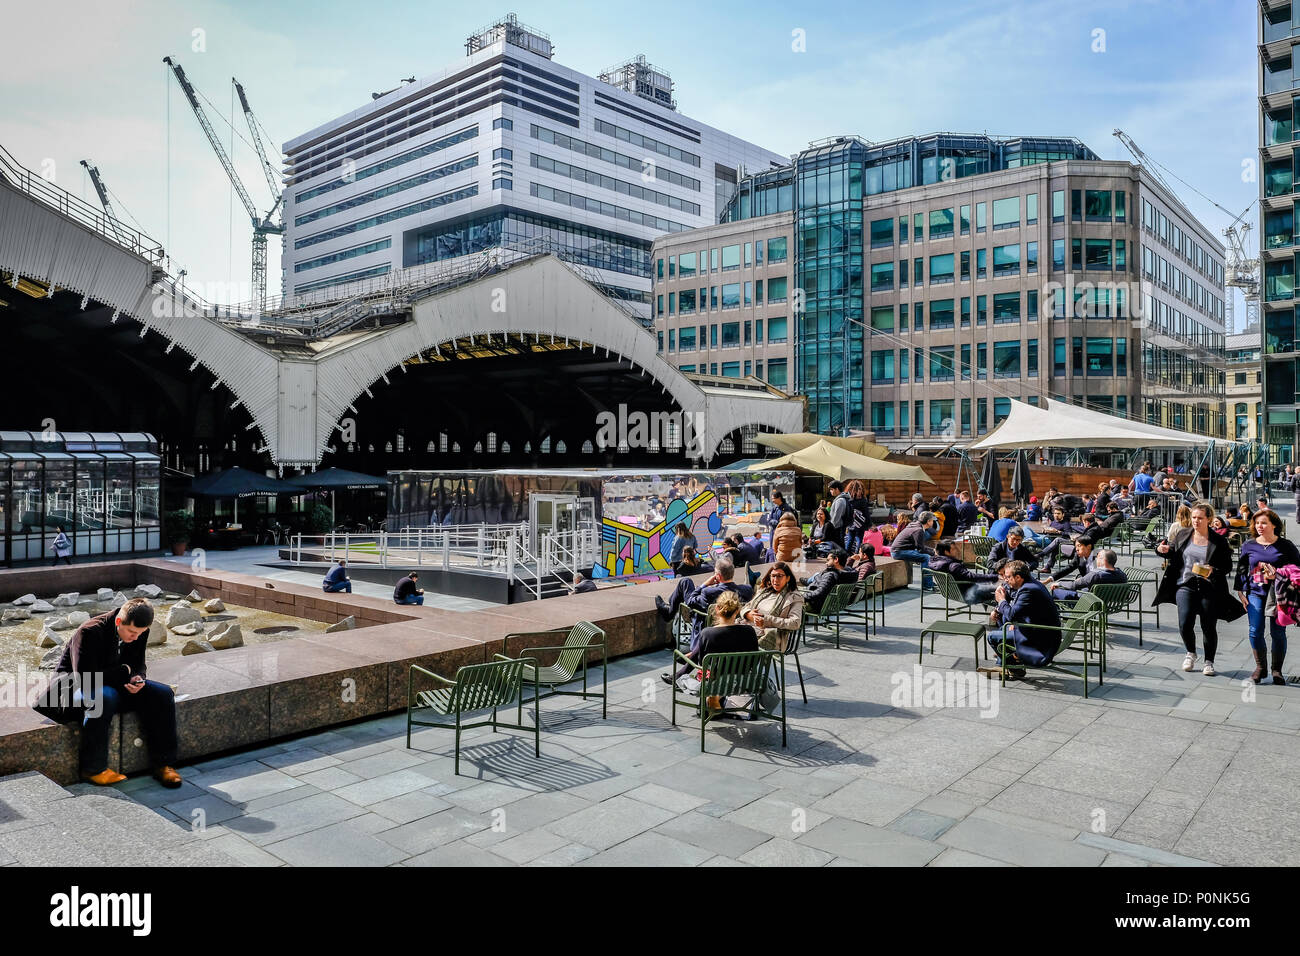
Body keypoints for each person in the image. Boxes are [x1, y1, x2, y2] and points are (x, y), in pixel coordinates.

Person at [55, 598, 182, 788]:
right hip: (72, 689)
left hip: (112, 684)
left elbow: (138, 663)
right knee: (105, 698)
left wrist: (138, 678)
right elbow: (84, 678)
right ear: (118, 622)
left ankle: (163, 764)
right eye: (131, 632)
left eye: (140, 633)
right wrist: (125, 672)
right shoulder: (90, 631)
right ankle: (93, 769)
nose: (135, 637)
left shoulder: (138, 631)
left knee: (162, 695)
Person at [1155, 502, 1244, 677]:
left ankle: (1209, 661)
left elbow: (1226, 566)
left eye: (1200, 518)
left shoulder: (1218, 540)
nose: (1195, 521)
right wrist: (1161, 550)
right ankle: (1190, 653)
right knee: (1184, 622)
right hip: (1185, 584)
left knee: (1208, 625)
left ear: (1209, 519)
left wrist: (1213, 570)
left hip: (1209, 586)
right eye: (1194, 517)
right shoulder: (1183, 534)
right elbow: (1171, 551)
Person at [1234, 508, 1300, 684]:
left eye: (1264, 523)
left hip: (1279, 594)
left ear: (1274, 525)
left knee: (1278, 632)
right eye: (1257, 523)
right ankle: (1260, 667)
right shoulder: (1249, 545)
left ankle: (1276, 670)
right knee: (1255, 630)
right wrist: (1240, 591)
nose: (1259, 526)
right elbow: (1241, 569)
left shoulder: (1286, 546)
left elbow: (1297, 571)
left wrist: (1277, 573)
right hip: (1255, 592)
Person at [988, 561, 1063, 678]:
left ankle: (1015, 668)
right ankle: (1003, 664)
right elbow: (1022, 612)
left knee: (992, 637)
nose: (1005, 580)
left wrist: (1001, 600)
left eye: (1008, 577)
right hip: (1040, 630)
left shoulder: (1028, 590)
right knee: (1004, 628)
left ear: (1018, 577)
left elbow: (1012, 615)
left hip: (1041, 639)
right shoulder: (1031, 584)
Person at [655, 556, 753, 644]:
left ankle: (669, 612)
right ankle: (669, 609)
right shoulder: (747, 590)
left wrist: (704, 585)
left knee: (685, 582)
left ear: (717, 576)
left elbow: (690, 601)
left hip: (704, 627)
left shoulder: (708, 592)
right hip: (731, 628)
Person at [669, 590, 757, 687]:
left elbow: (702, 663)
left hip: (715, 685)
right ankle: (679, 673)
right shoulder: (750, 631)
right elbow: (754, 661)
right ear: (737, 611)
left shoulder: (707, 633)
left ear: (717, 608)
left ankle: (679, 675)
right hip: (745, 683)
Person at [738, 562, 804, 652]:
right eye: (773, 576)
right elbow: (745, 606)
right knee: (719, 635)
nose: (775, 580)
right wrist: (748, 614)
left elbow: (795, 622)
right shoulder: (764, 591)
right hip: (748, 629)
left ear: (788, 578)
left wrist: (766, 620)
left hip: (769, 636)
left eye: (779, 576)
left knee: (732, 643)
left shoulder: (794, 597)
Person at [930, 540, 999, 604]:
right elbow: (972, 577)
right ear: (946, 552)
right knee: (1001, 588)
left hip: (954, 593)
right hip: (968, 594)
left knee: (994, 587)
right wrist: (995, 577)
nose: (957, 550)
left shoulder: (937, 563)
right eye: (954, 549)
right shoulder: (953, 566)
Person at [1045, 548, 1127, 602]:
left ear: (1103, 560)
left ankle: (1066, 616)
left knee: (1055, 590)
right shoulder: (1122, 574)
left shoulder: (1096, 575)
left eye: (1097, 557)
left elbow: (1073, 585)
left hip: (1088, 601)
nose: (1096, 559)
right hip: (1110, 601)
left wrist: (1058, 583)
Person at [802, 548, 858, 613]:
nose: (826, 563)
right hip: (833, 604)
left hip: (818, 605)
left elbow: (819, 593)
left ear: (836, 560)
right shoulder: (850, 574)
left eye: (828, 560)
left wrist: (801, 597)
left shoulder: (831, 575)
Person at [892, 512, 937, 587]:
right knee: (926, 557)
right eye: (932, 520)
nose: (933, 522)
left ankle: (928, 582)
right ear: (928, 521)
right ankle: (927, 585)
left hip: (901, 550)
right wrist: (933, 552)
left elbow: (920, 547)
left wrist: (933, 550)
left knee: (926, 556)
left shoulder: (917, 526)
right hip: (899, 552)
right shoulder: (918, 530)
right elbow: (921, 549)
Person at [764, 492, 795, 559]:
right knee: (773, 549)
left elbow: (787, 521)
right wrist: (777, 522)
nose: (772, 500)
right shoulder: (774, 508)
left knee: (781, 549)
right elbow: (769, 520)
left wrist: (777, 523)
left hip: (783, 533)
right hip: (774, 532)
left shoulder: (786, 508)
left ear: (779, 498)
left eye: (773, 498)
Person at [846, 480, 872, 553]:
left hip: (851, 523)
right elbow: (866, 513)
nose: (860, 491)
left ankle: (847, 553)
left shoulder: (849, 500)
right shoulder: (863, 501)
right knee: (859, 539)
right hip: (860, 524)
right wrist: (869, 524)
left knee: (850, 539)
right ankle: (858, 553)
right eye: (859, 489)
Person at [826, 480, 850, 547]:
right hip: (838, 527)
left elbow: (836, 516)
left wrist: (831, 528)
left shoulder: (840, 500)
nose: (830, 491)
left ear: (837, 489)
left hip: (838, 527)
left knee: (839, 546)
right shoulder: (840, 499)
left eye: (831, 489)